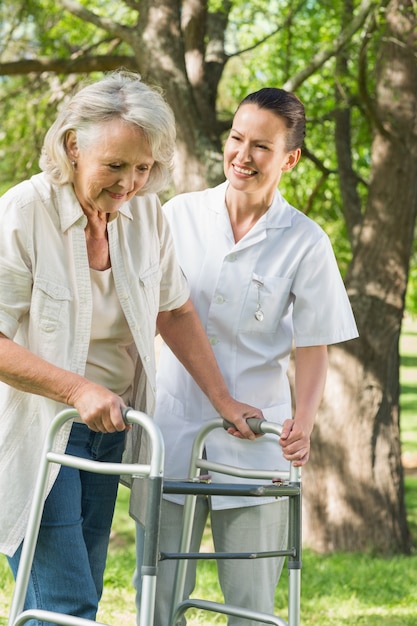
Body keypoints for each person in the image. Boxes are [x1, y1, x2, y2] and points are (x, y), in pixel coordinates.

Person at [0, 70, 264, 625]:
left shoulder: (145, 214)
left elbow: (175, 309)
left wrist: (223, 400)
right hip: (39, 427)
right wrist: (76, 388)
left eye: (142, 168)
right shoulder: (24, 212)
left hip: (110, 427)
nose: (129, 184)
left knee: (80, 593)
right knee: (63, 601)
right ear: (73, 146)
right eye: (114, 165)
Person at [134, 87, 359, 625]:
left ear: (290, 158)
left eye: (262, 145)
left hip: (257, 443)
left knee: (251, 607)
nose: (243, 155)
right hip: (173, 430)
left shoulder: (305, 241)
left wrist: (302, 423)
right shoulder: (177, 216)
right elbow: (152, 312)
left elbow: (313, 345)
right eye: (237, 137)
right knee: (157, 604)